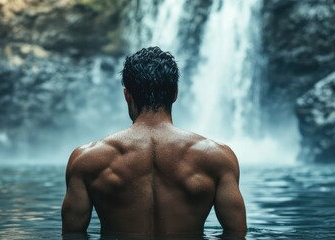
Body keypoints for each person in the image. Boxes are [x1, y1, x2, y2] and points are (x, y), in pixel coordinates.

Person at [61, 47, 246, 237]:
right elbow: (237, 233)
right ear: (175, 93)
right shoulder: (218, 157)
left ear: (127, 95)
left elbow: (72, 234)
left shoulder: (86, 159)